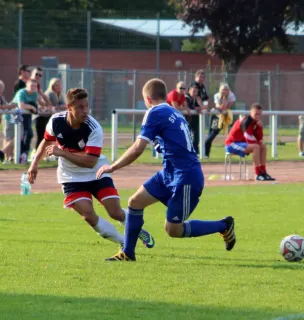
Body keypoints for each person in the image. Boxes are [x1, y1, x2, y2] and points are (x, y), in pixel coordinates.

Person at [97, 79, 236, 262]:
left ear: (147, 99)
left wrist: (113, 167)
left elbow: (138, 148)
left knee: (173, 230)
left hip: (185, 177)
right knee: (135, 202)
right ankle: (128, 253)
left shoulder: (154, 112)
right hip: (170, 172)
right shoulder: (173, 112)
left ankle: (223, 225)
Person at [27, 88, 155, 251]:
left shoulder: (94, 128)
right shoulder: (55, 121)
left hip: (96, 173)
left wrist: (62, 152)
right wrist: (34, 163)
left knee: (115, 212)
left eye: (87, 106)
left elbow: (89, 162)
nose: (85, 111)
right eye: (80, 107)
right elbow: (46, 141)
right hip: (71, 177)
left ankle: (137, 230)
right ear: (69, 107)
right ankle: (124, 242)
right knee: (88, 215)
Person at [225, 103, 275, 181]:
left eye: (259, 114)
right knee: (256, 146)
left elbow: (259, 139)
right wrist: (257, 143)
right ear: (251, 113)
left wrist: (260, 127)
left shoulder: (255, 123)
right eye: (256, 114)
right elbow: (249, 139)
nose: (258, 116)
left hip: (242, 144)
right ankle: (258, 173)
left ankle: (263, 172)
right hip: (232, 144)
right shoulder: (246, 122)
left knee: (263, 146)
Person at [204, 83, 236, 158]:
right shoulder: (216, 95)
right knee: (210, 136)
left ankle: (205, 154)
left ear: (229, 90)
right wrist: (223, 101)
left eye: (226, 89)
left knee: (212, 135)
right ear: (220, 90)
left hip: (225, 117)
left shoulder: (231, 95)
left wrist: (224, 101)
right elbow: (219, 108)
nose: (224, 91)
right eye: (223, 90)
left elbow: (227, 108)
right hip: (216, 117)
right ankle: (206, 154)